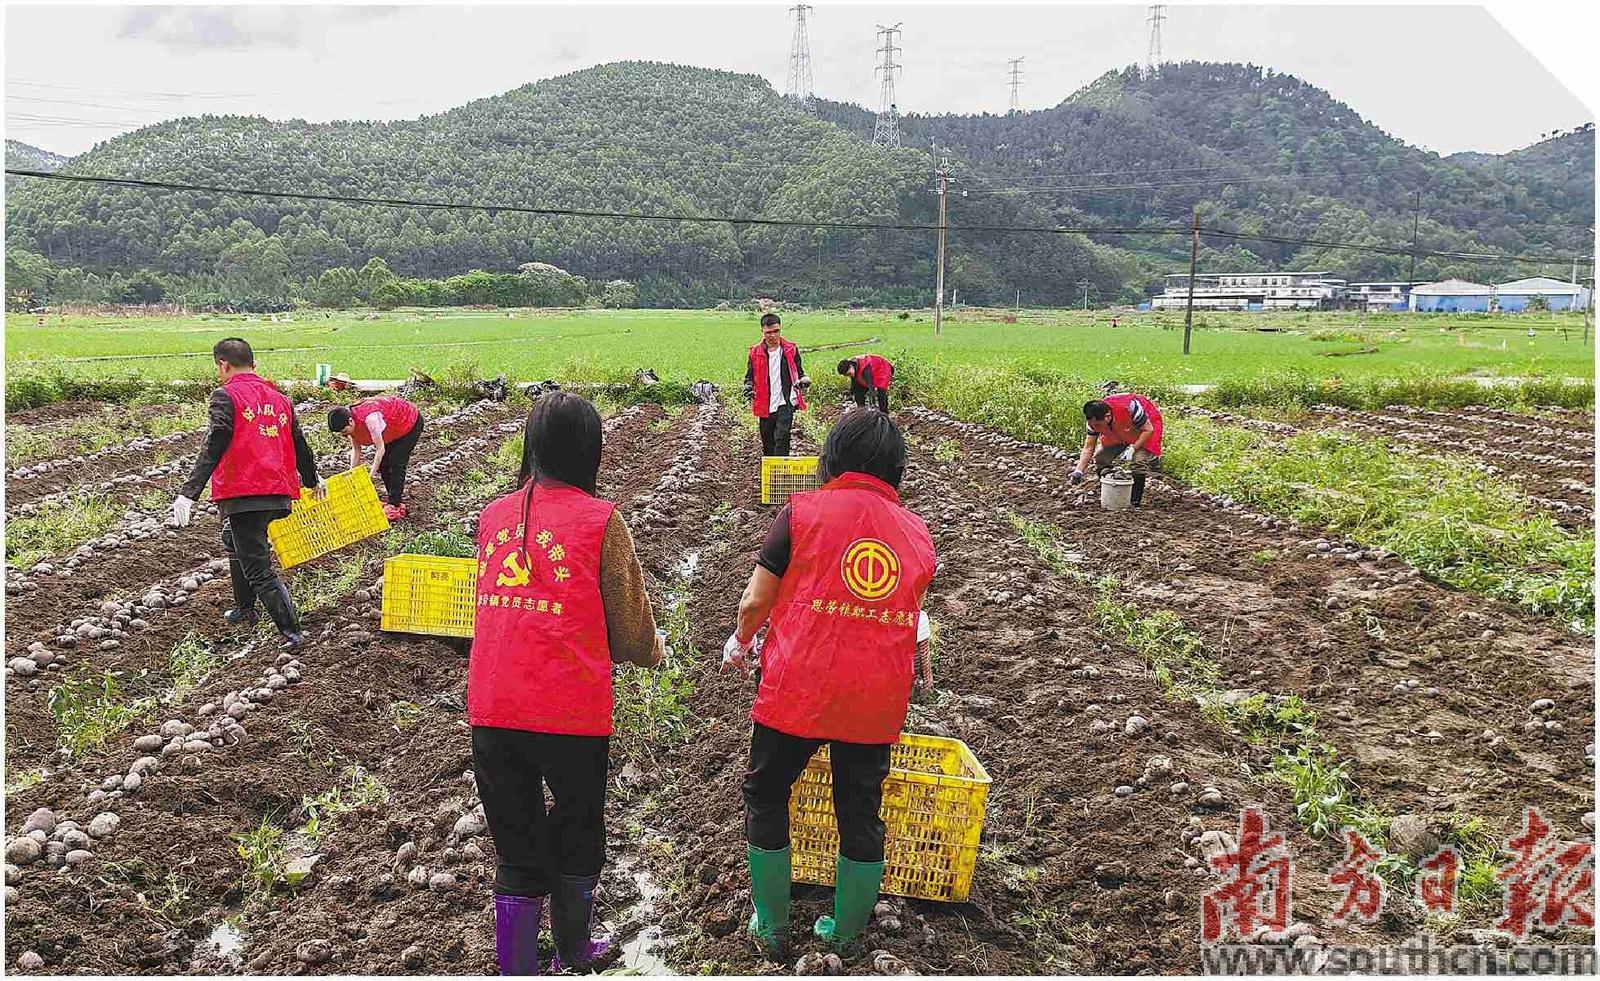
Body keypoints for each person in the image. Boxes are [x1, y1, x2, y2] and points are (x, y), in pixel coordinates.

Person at [721, 411, 937, 955]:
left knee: (767, 793)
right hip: (874, 697)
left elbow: (756, 600)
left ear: (831, 460)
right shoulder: (917, 534)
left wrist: (741, 641)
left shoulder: (800, 513)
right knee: (860, 810)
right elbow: (910, 614)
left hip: (798, 685)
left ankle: (771, 926)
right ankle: (844, 933)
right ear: (896, 470)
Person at [467, 392, 665, 976]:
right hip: (569, 711)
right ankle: (575, 953)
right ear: (589, 451)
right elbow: (629, 631)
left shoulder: (493, 516)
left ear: (531, 447)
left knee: (516, 848)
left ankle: (518, 969)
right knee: (579, 834)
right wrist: (653, 651)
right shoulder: (602, 521)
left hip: (494, 706)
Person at [172, 338, 322, 651]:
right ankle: (244, 608)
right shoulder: (280, 399)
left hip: (246, 492)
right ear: (254, 364)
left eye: (219, 367)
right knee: (233, 539)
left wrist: (189, 493)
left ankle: (292, 633)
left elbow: (215, 441)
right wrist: (311, 479)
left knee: (257, 567)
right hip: (277, 491)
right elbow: (298, 442)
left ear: (223, 364)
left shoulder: (225, 395)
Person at [328, 395, 424, 521]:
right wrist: (351, 474)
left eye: (344, 431)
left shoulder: (370, 419)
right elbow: (356, 450)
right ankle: (393, 498)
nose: (344, 435)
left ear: (350, 421)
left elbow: (380, 449)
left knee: (396, 462)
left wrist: (370, 475)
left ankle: (395, 504)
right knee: (384, 464)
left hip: (409, 422)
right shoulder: (350, 424)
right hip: (392, 427)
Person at [1071, 391, 1163, 507]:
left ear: (1107, 417)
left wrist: (1133, 448)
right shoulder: (1093, 421)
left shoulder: (1131, 407)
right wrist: (1078, 471)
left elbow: (1148, 430)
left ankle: (1134, 501)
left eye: (1098, 425)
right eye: (1093, 425)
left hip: (1145, 429)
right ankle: (1111, 486)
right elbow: (1089, 447)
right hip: (1119, 432)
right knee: (1101, 459)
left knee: (1138, 463)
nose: (1095, 428)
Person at [742, 313, 809, 456]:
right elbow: (749, 377)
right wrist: (748, 387)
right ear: (762, 331)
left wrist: (804, 380)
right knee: (768, 441)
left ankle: (781, 467)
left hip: (785, 401)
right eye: (768, 332)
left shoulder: (790, 350)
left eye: (775, 331)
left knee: (782, 438)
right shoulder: (755, 353)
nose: (772, 335)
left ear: (780, 329)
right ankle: (770, 467)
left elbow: (799, 372)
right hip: (765, 403)